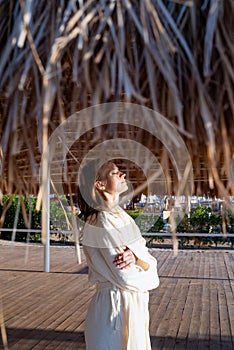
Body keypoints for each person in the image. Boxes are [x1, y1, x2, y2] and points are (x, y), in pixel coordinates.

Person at [77, 160, 159, 350]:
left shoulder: (122, 217)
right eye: (115, 173)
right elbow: (126, 276)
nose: (123, 174)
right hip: (112, 311)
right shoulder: (100, 221)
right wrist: (148, 270)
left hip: (134, 308)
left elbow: (147, 257)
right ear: (100, 184)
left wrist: (137, 257)